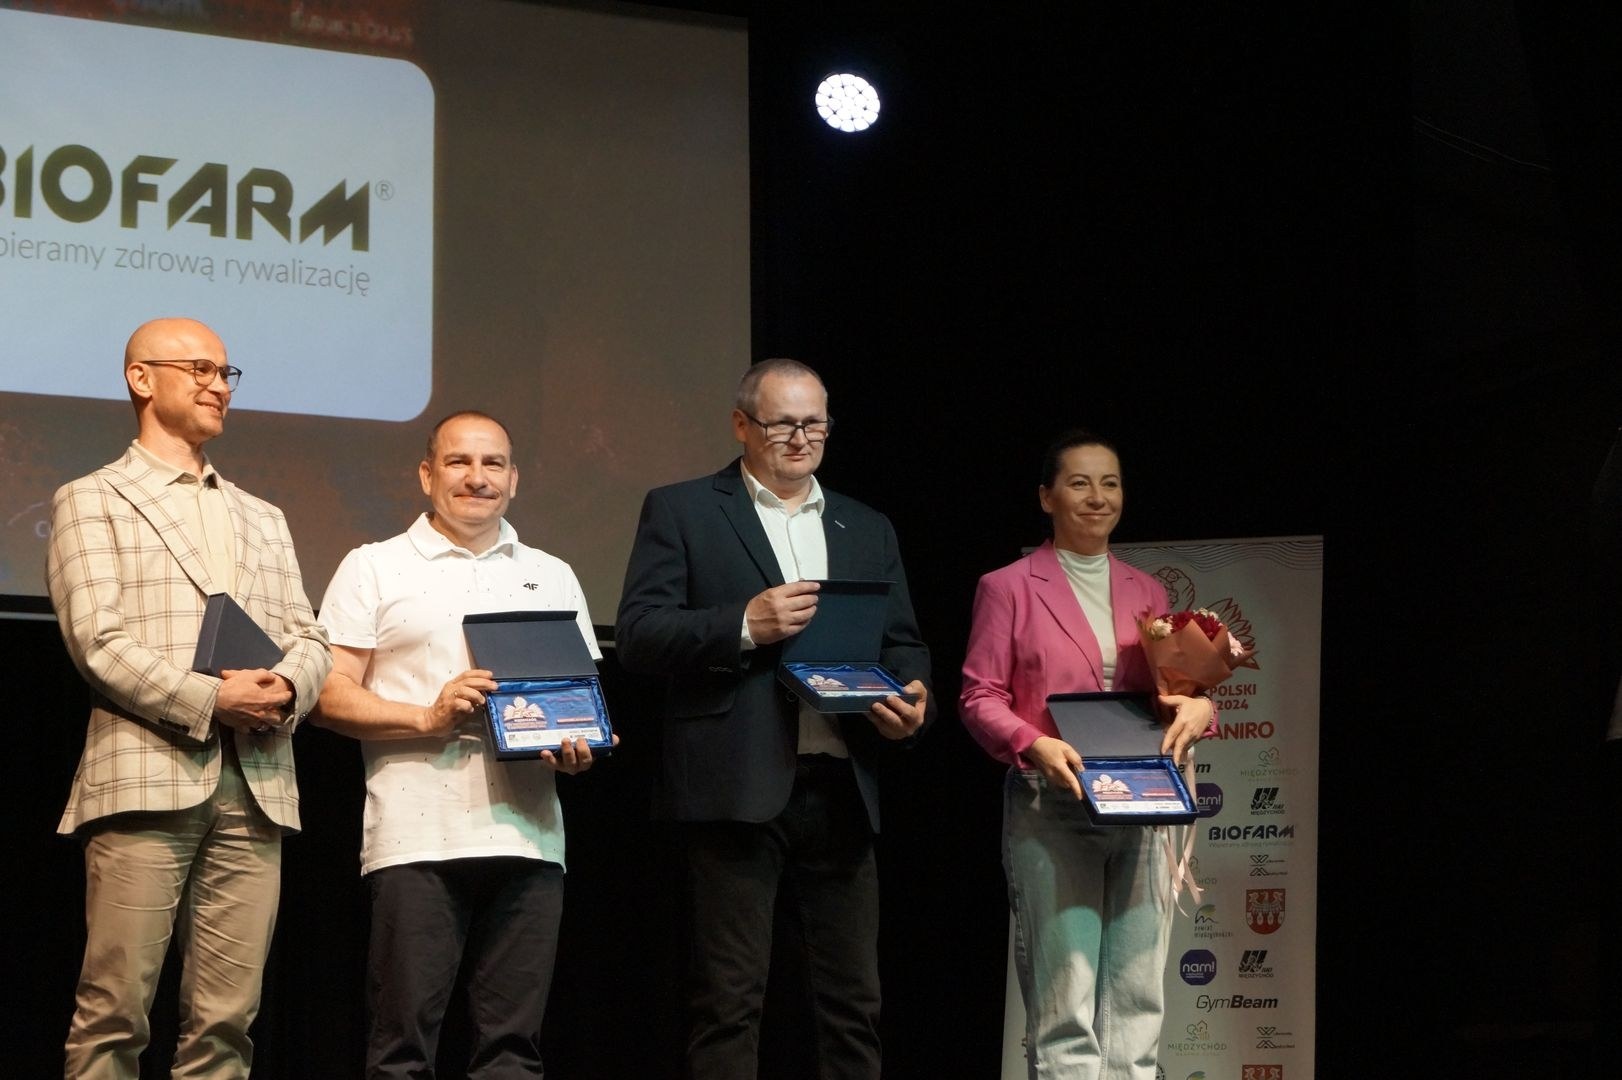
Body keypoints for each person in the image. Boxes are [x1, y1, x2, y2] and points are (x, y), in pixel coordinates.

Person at [615, 357, 933, 1080]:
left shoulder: (866, 524)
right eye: (782, 423)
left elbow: (903, 643)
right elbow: (639, 634)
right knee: (728, 1004)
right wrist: (743, 625)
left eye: (814, 424)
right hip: (735, 787)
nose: (800, 439)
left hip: (842, 785)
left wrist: (913, 702)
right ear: (741, 424)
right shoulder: (684, 509)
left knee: (853, 1005)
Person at [46, 317, 332, 1078]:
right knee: (114, 1014)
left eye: (225, 373)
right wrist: (212, 701)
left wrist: (286, 686)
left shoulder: (262, 515)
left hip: (258, 785)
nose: (218, 386)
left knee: (227, 1024)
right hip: (146, 775)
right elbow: (97, 641)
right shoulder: (92, 498)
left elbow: (309, 634)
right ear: (141, 379)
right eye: (199, 369)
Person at [314, 410, 606, 1078]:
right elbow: (328, 696)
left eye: (493, 463)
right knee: (401, 1051)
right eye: (458, 462)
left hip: (530, 838)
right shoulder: (373, 566)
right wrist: (429, 717)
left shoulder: (553, 573)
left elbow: (580, 700)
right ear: (426, 474)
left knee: (513, 1053)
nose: (477, 478)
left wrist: (580, 747)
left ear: (514, 479)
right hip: (416, 837)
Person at [958, 430, 1214, 1080]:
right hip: (1053, 805)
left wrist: (1200, 707)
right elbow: (979, 696)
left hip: (1142, 804)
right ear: (1047, 497)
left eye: (1110, 483)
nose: (1098, 497)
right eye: (1079, 483)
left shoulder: (1146, 590)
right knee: (1065, 1016)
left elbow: (1166, 694)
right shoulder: (1008, 587)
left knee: (1137, 1010)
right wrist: (1032, 742)